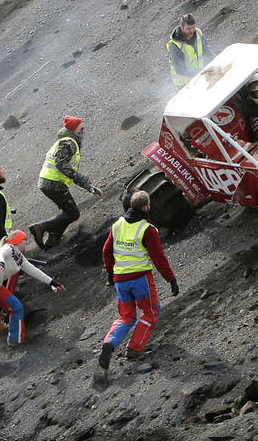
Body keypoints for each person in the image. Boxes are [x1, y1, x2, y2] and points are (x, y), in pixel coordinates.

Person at [98, 191, 178, 369]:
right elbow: (159, 258)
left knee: (126, 316)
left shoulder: (117, 225)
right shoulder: (147, 229)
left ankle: (110, 342)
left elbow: (106, 251)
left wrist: (110, 273)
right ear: (145, 207)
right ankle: (134, 348)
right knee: (151, 312)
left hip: (120, 281)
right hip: (140, 279)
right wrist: (171, 279)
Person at [0, 230, 64, 365]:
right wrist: (0, 263)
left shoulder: (19, 257)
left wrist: (51, 282)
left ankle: (15, 341)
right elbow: (0, 254)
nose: (27, 242)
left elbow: (33, 270)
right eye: (24, 239)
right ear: (17, 241)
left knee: (16, 307)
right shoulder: (8, 248)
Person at [28, 116, 102, 250]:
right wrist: (84, 181)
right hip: (54, 183)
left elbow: (66, 168)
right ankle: (40, 227)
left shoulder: (65, 141)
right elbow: (62, 164)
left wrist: (87, 186)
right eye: (81, 128)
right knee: (73, 213)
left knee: (68, 211)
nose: (83, 131)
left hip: (49, 182)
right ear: (74, 130)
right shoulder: (69, 143)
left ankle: (53, 238)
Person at [167, 13, 212, 88]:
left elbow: (207, 51)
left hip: (197, 78)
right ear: (181, 27)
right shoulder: (175, 45)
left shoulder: (198, 33)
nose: (192, 31)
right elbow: (181, 69)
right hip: (184, 84)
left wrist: (217, 61)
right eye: (188, 28)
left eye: (193, 27)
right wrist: (201, 72)